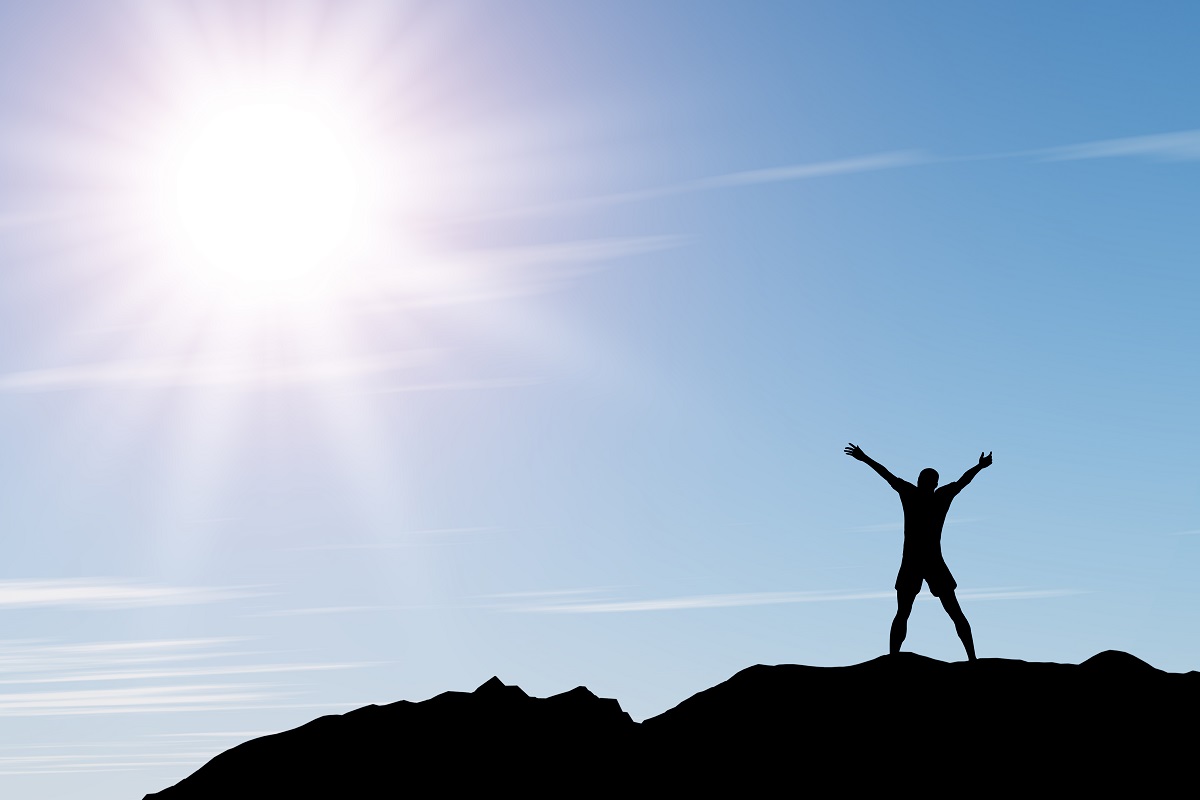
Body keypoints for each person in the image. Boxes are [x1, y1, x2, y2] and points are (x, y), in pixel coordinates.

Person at [843, 443, 992, 661]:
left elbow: (887, 475)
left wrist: (865, 458)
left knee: (916, 612)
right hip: (924, 562)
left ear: (923, 481)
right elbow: (962, 481)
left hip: (921, 561)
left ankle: (970, 658)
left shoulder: (915, 493)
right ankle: (970, 658)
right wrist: (979, 467)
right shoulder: (936, 495)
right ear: (933, 483)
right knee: (926, 612)